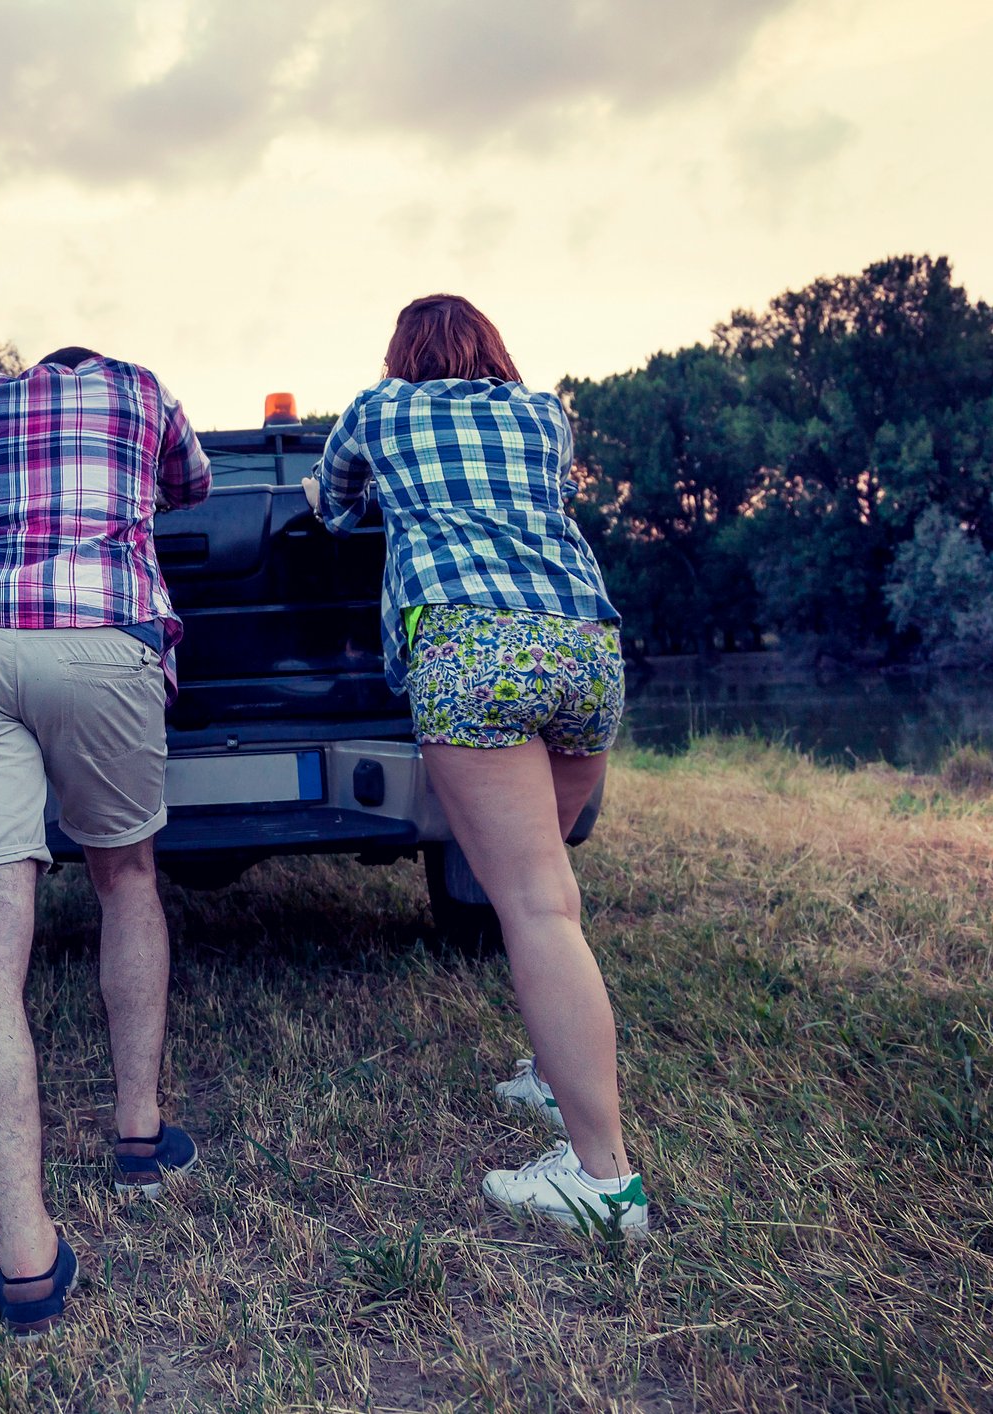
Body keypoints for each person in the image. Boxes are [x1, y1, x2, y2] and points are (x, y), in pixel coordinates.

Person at [303, 295, 649, 1237]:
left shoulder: (379, 410)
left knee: (534, 906)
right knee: (554, 893)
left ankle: (602, 1181)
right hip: (583, 646)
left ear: (399, 354)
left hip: (472, 651)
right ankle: (552, 1076)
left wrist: (367, 498)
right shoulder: (546, 415)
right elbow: (540, 506)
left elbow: (332, 509)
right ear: (493, 348)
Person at [0, 346, 211, 1334]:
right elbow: (193, 485)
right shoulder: (140, 390)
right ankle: (137, 1134)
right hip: (99, 632)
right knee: (125, 876)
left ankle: (27, 1261)